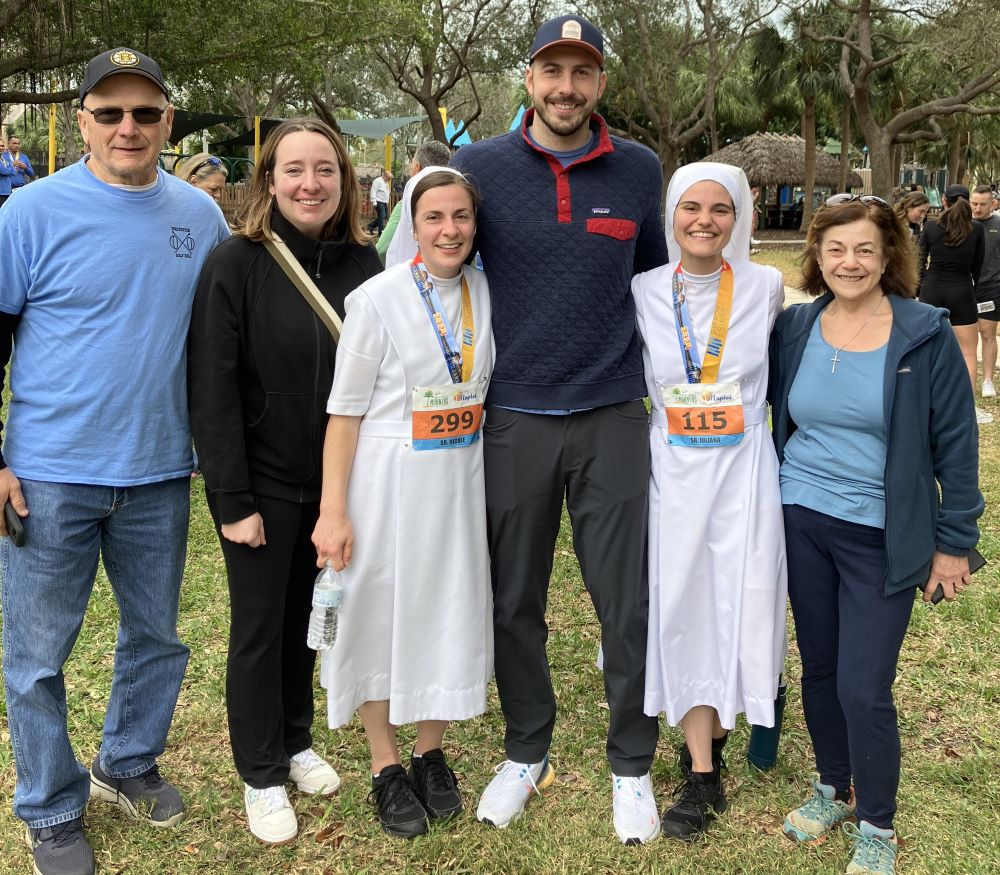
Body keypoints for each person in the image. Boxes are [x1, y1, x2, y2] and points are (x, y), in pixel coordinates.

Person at [0, 48, 229, 875]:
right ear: (82, 121)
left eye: (145, 113)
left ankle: (126, 762)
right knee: (36, 660)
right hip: (49, 474)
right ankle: (52, 808)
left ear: (169, 121)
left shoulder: (200, 217)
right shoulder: (29, 211)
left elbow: (218, 340)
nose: (127, 127)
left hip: (161, 471)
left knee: (157, 638)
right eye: (109, 113)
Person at [451, 14, 668, 844]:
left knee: (625, 600)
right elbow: (443, 265)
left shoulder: (642, 169)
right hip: (513, 414)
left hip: (614, 411)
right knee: (515, 598)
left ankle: (631, 762)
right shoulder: (479, 169)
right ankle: (526, 749)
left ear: (601, 82)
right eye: (552, 71)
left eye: (582, 72)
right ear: (530, 77)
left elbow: (655, 283)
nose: (566, 88)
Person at [770, 194, 982, 875]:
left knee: (864, 685)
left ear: (890, 253)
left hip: (881, 535)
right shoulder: (797, 327)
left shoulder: (923, 331)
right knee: (822, 669)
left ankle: (877, 823)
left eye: (865, 248)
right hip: (800, 518)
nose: (850, 261)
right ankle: (833, 785)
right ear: (817, 257)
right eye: (836, 249)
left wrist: (953, 541)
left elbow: (956, 444)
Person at [188, 118, 381, 845]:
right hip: (261, 485)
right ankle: (261, 773)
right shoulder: (234, 264)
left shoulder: (369, 267)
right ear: (269, 180)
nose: (310, 184)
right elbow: (212, 387)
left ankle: (296, 740)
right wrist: (232, 500)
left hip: (336, 488)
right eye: (295, 170)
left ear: (345, 179)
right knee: (260, 629)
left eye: (325, 169)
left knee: (313, 623)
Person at [311, 169, 493, 839]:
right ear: (411, 226)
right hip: (387, 481)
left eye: (462, 217)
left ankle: (430, 750)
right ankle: (386, 764)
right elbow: (344, 413)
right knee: (379, 614)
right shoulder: (378, 299)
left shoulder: (482, 289)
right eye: (435, 217)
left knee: (446, 606)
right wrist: (334, 511)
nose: (450, 230)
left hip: (458, 480)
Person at [632, 163, 786, 841]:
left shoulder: (767, 286)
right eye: (689, 207)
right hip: (676, 474)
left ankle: (741, 710)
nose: (704, 220)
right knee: (687, 606)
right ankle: (701, 769)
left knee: (746, 602)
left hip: (746, 472)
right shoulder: (641, 290)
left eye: (719, 209)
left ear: (740, 217)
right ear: (670, 215)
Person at [917, 184, 988, 422]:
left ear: (944, 201)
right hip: (961, 290)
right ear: (968, 202)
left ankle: (925, 401)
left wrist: (919, 289)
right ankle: (966, 406)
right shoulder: (976, 229)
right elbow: (977, 267)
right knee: (968, 352)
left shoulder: (929, 226)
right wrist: (972, 290)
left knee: (926, 350)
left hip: (932, 290)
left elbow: (920, 261)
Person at [377, 139, 451, 264]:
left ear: (417, 167)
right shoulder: (460, 199)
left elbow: (382, 249)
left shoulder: (408, 203)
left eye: (411, 164)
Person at [971, 185, 1000, 398]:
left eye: (982, 204)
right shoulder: (963, 223)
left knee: (988, 333)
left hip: (991, 286)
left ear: (993, 204)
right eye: (974, 204)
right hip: (964, 286)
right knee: (963, 336)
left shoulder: (998, 224)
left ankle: (988, 380)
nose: (978, 208)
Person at [368, 167, 391, 233]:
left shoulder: (386, 182)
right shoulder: (377, 181)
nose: (389, 179)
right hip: (379, 201)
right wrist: (374, 201)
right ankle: (380, 233)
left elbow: (386, 192)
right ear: (385, 176)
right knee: (382, 217)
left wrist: (387, 201)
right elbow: (373, 191)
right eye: (389, 178)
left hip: (384, 202)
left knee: (384, 216)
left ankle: (371, 226)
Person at [0, 137, 13, 207]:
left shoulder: (4, 159)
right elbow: (3, 171)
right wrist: (10, 167)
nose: (1, 148)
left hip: (7, 192)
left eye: (2, 146)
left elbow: (14, 172)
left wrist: (9, 168)